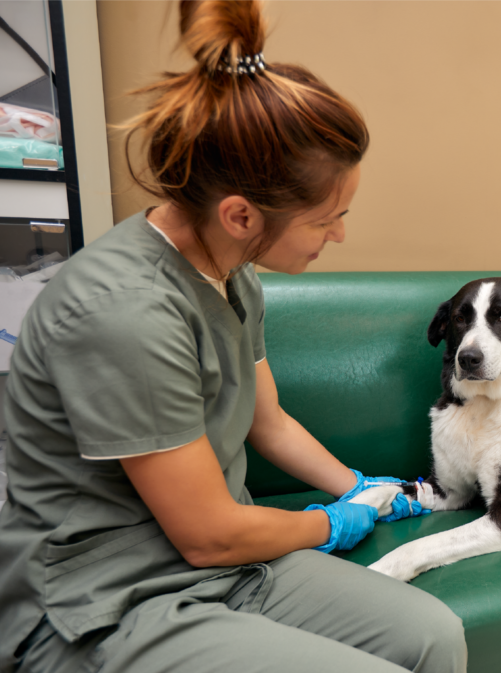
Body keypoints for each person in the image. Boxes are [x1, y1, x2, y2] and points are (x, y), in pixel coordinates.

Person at [0, 2, 467, 672]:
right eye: (326, 219)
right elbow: (210, 535)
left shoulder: (231, 270)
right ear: (241, 215)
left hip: (222, 562)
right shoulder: (126, 314)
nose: (339, 234)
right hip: (107, 597)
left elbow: (265, 419)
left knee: (432, 635)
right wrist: (331, 523)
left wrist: (361, 488)